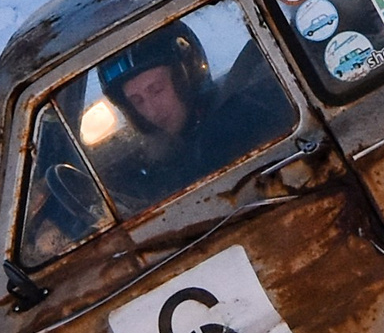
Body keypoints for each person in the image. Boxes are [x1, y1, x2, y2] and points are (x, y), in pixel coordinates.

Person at [95, 20, 293, 206]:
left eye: (156, 90)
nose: (151, 111)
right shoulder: (166, 152)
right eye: (137, 101)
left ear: (185, 78)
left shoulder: (236, 123)